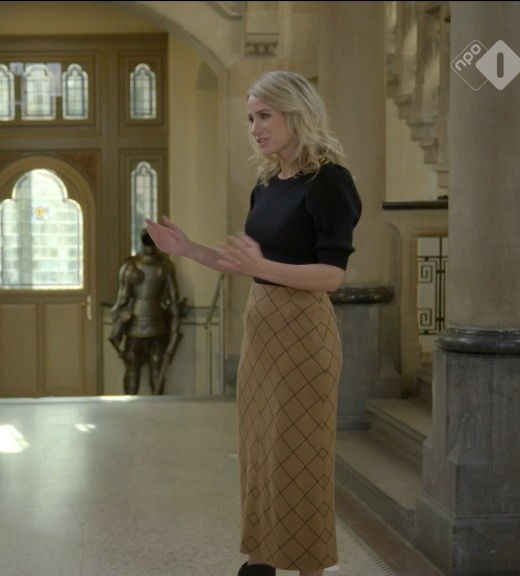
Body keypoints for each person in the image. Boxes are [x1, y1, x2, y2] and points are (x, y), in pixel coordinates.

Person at [145, 71, 361, 576]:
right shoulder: (266, 184)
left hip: (303, 334)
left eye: (265, 116)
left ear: (296, 114)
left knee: (300, 457)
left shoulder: (330, 181)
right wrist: (187, 249)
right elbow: (243, 263)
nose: (255, 129)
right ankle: (260, 559)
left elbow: (331, 276)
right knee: (260, 451)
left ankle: (309, 568)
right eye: (250, 119)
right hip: (261, 334)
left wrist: (263, 266)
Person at [108, 231, 185, 395]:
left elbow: (121, 302)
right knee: (145, 372)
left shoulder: (132, 266)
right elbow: (174, 305)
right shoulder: (163, 266)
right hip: (155, 324)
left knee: (139, 372)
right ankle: (146, 406)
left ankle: (137, 407)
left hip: (141, 324)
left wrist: (116, 323)